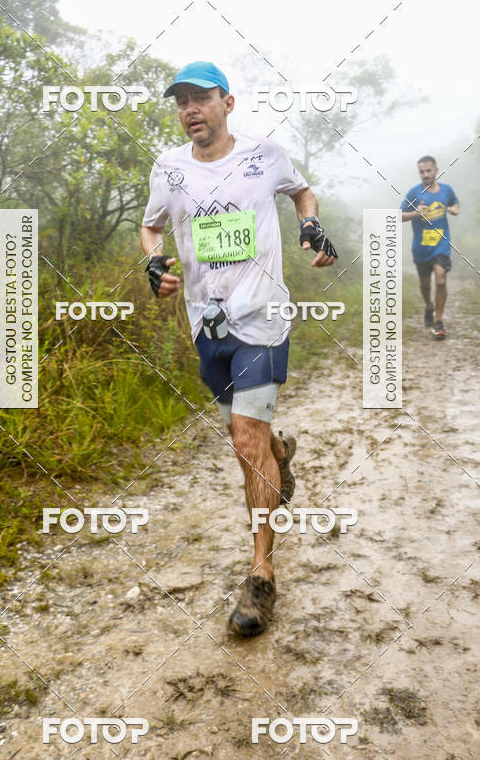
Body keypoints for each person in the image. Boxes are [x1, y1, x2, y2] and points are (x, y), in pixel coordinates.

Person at [140, 61, 338, 636]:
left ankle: (261, 575)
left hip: (263, 318)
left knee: (244, 441)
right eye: (180, 102)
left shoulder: (264, 154)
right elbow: (151, 227)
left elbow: (301, 192)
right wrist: (155, 264)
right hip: (207, 326)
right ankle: (280, 451)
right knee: (249, 441)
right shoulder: (169, 168)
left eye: (200, 99)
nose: (189, 110)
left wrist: (312, 225)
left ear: (228, 102)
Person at [400, 156, 459, 339]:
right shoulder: (414, 193)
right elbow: (399, 216)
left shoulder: (447, 190)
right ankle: (428, 306)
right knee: (425, 284)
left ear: (436, 170)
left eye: (428, 171)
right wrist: (416, 214)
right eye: (422, 172)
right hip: (421, 247)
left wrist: (455, 209)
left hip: (441, 245)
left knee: (440, 280)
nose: (425, 174)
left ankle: (438, 321)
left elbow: (454, 202)